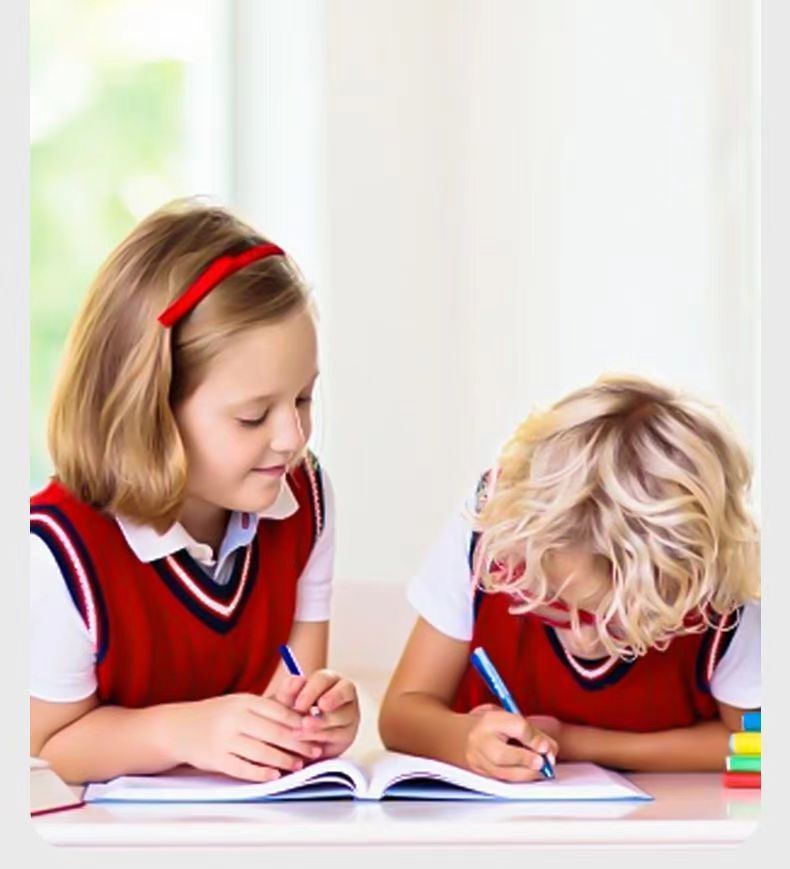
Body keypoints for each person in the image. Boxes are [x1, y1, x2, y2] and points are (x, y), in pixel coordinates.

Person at [30, 200, 359, 783]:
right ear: (150, 412)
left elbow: (292, 700)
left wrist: (316, 721)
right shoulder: (56, 549)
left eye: (303, 398)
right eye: (253, 416)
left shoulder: (304, 498)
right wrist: (181, 732)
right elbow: (42, 749)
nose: (293, 438)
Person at [379, 374, 760, 778]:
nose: (583, 639)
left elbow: (757, 744)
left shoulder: (717, 584)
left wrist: (577, 742)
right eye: (557, 608)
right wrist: (464, 739)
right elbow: (400, 716)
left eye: (612, 619)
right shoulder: (493, 525)